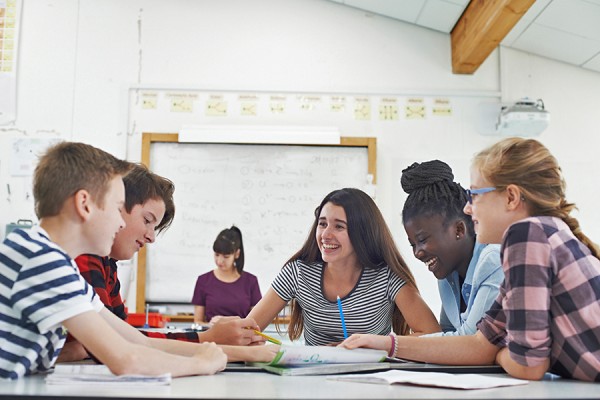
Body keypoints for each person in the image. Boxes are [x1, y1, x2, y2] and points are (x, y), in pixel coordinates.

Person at [340, 138, 600, 382]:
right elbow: (480, 343)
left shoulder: (527, 235)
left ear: (510, 197)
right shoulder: (542, 236)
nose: (467, 208)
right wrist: (387, 344)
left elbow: (528, 365)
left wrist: (499, 354)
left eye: (475, 195)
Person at [0, 142, 226, 380]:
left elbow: (136, 341)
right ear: (84, 204)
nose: (120, 222)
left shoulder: (56, 261)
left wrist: (206, 351)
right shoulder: (41, 259)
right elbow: (126, 360)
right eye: (117, 209)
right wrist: (203, 363)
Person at [59, 164, 272, 364]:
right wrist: (213, 342)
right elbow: (117, 345)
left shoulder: (106, 264)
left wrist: (211, 340)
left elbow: (126, 338)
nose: (151, 237)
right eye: (147, 220)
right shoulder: (83, 255)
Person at [248, 188, 440, 346]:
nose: (326, 235)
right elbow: (248, 331)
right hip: (313, 382)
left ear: (362, 233)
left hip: (372, 382)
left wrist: (373, 344)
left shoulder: (387, 276)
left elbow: (432, 335)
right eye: (322, 224)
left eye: (339, 227)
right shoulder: (298, 273)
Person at [400, 160, 503, 335]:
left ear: (459, 230)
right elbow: (447, 332)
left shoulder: (494, 260)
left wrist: (393, 344)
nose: (417, 252)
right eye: (413, 244)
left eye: (423, 239)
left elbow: (469, 342)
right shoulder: (447, 276)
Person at [192, 226, 262, 324]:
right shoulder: (203, 280)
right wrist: (209, 325)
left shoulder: (251, 281)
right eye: (216, 255)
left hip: (242, 337)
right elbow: (198, 322)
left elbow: (257, 322)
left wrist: (230, 322)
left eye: (226, 256)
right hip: (212, 337)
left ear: (237, 254)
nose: (220, 261)